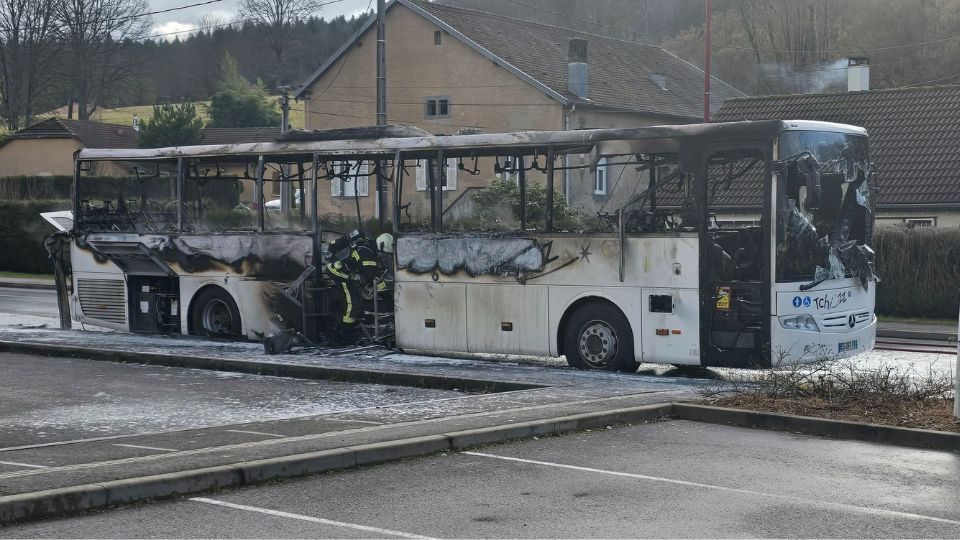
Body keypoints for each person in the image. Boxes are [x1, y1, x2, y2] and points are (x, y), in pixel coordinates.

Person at [325, 230, 384, 343]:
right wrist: (385, 288)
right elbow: (370, 276)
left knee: (355, 300)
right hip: (340, 273)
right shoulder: (368, 254)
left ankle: (346, 329)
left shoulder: (368, 246)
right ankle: (345, 334)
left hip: (348, 274)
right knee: (353, 303)